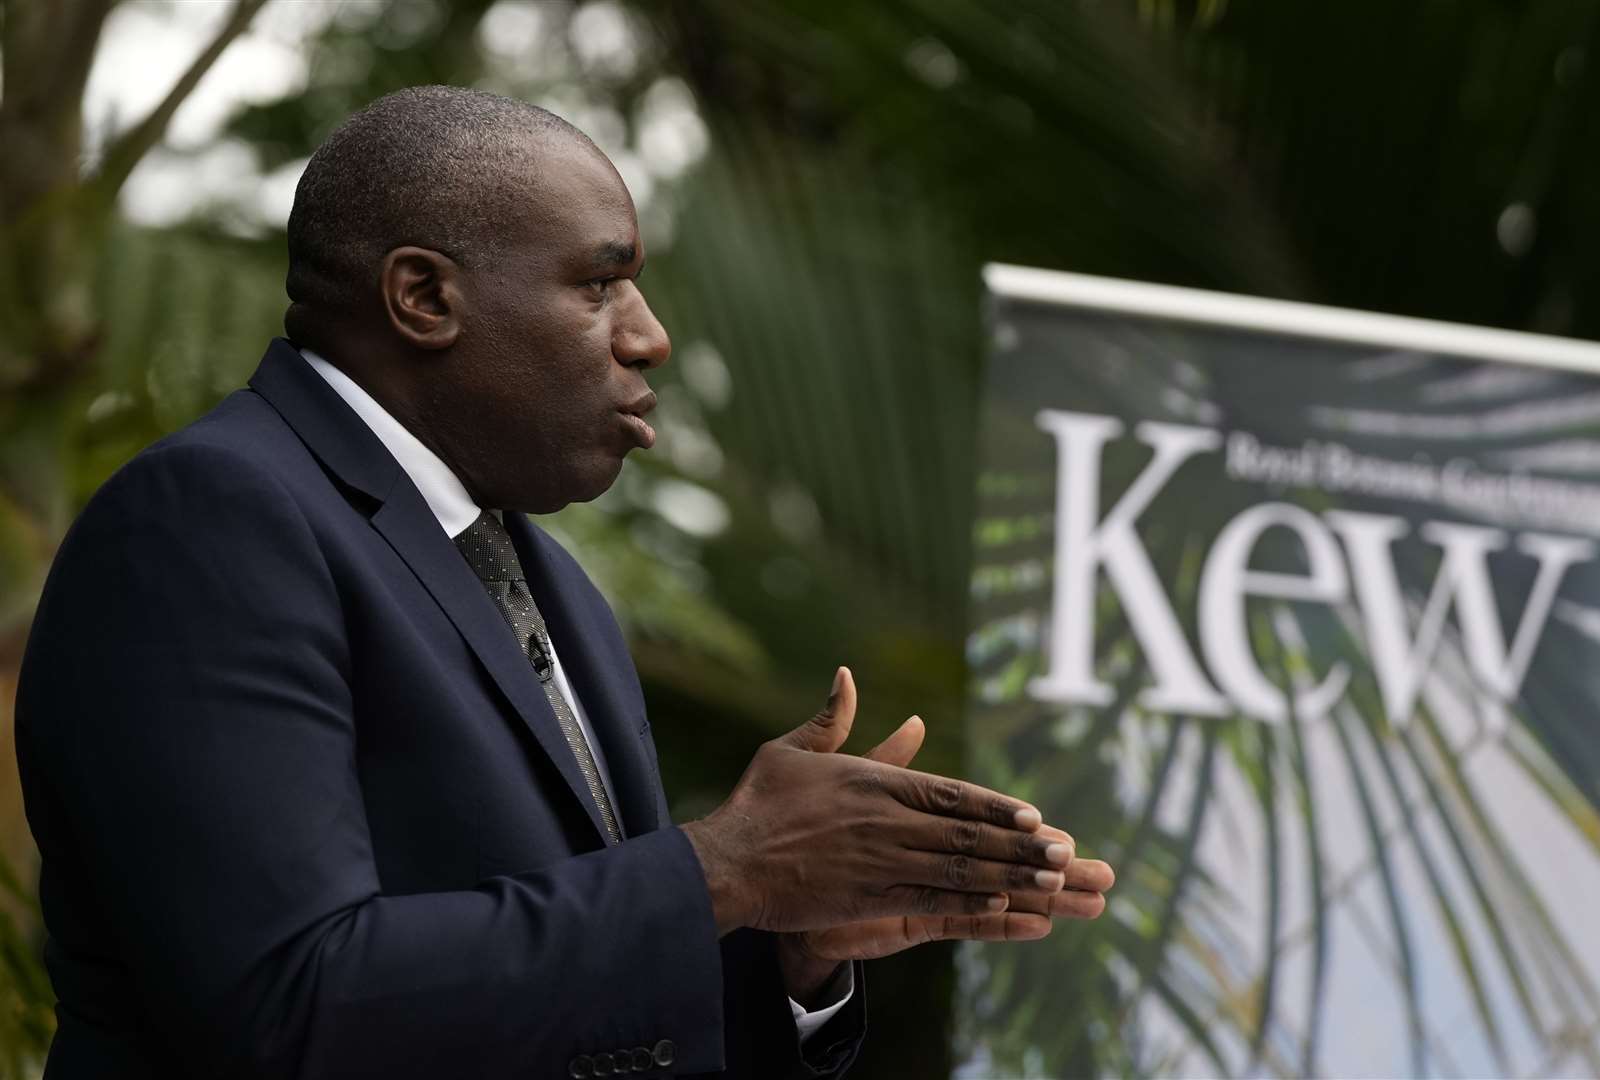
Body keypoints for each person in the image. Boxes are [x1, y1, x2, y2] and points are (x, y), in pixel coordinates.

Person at [15, 86, 1113, 1079]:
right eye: (601, 283)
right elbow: (289, 1007)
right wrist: (719, 871)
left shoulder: (552, 584)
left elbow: (586, 1020)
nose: (652, 337)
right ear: (422, 298)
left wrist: (791, 948)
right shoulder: (213, 520)